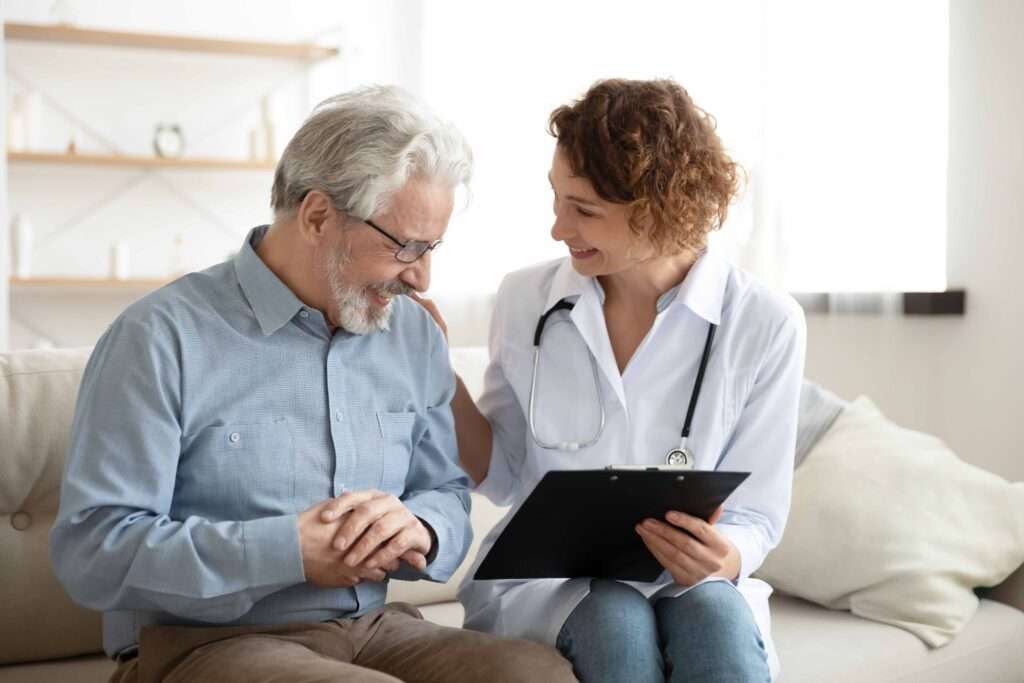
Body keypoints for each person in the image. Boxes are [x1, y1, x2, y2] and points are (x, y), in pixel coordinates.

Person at [50, 85, 576, 683]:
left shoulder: (412, 335)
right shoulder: (159, 337)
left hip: (373, 628)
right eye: (405, 247)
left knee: (537, 674)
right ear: (318, 216)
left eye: (431, 248)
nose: (422, 278)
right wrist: (285, 551)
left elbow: (446, 493)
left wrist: (421, 528)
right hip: (205, 642)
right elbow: (92, 552)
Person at [413, 78, 806, 682]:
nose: (558, 228)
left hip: (687, 582)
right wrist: (437, 374)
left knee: (714, 620)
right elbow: (504, 472)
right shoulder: (527, 299)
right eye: (556, 198)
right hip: (549, 582)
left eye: (584, 210)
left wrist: (725, 557)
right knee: (615, 619)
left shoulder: (764, 321)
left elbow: (755, 515)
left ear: (658, 207)